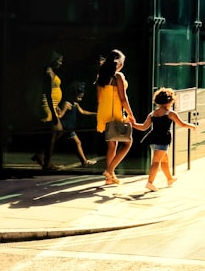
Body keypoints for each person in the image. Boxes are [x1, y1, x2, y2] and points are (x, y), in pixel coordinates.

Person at [134, 87, 197, 192]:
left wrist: (133, 124)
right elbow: (182, 124)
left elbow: (143, 127)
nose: (172, 104)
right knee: (156, 162)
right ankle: (150, 183)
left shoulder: (153, 113)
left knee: (164, 160)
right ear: (169, 101)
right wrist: (192, 126)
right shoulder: (170, 113)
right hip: (163, 140)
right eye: (171, 102)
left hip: (153, 138)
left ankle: (169, 179)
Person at [95, 49, 134, 185]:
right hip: (115, 113)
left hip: (103, 112)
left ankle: (109, 178)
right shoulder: (119, 76)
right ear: (119, 63)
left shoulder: (101, 76)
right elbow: (123, 98)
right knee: (128, 143)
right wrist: (130, 114)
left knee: (112, 145)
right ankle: (110, 170)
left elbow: (99, 98)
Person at [32, 51, 64, 171]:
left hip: (52, 105)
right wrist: (53, 111)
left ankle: (39, 155)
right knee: (52, 134)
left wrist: (56, 106)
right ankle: (47, 164)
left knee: (59, 131)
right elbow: (48, 95)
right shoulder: (48, 73)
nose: (60, 63)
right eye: (59, 60)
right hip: (46, 105)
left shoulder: (52, 72)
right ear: (53, 60)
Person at [54, 82, 97, 168]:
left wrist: (96, 114)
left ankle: (84, 161)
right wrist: (56, 110)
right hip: (65, 128)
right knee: (54, 142)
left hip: (70, 129)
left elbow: (83, 112)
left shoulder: (75, 104)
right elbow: (60, 115)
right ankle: (84, 161)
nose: (80, 98)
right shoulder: (67, 104)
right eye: (78, 96)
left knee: (77, 143)